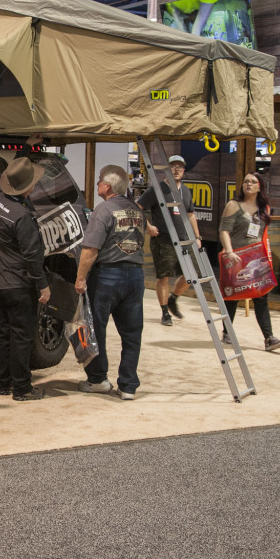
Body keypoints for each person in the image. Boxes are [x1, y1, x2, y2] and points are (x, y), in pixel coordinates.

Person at [75, 165, 146, 401]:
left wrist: (81, 278)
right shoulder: (136, 210)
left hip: (107, 276)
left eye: (98, 182)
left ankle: (97, 380)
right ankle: (128, 386)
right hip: (135, 275)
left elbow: (90, 249)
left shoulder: (103, 210)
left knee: (96, 329)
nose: (97, 186)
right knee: (132, 333)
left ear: (106, 186)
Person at [0, 157, 51, 402]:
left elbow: (14, 176)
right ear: (28, 188)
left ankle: (2, 383)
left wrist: (24, 149)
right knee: (22, 338)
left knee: (4, 334)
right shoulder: (22, 216)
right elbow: (33, 256)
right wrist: (43, 285)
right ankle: (22, 389)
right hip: (19, 285)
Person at [218, 172, 280, 351]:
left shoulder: (264, 208)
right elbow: (224, 230)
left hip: (256, 257)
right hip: (236, 256)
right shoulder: (233, 205)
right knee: (233, 296)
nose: (248, 184)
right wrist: (229, 251)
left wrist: (266, 256)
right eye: (246, 181)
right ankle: (227, 332)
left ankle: (269, 338)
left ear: (259, 187)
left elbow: (263, 234)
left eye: (253, 182)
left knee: (261, 296)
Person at [136, 155, 201, 326]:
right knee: (163, 278)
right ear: (167, 169)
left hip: (185, 240)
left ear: (184, 170)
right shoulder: (156, 190)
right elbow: (137, 208)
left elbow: (191, 214)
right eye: (173, 166)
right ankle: (165, 312)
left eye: (180, 167)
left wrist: (197, 236)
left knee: (191, 275)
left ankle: (173, 299)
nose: (177, 169)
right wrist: (148, 226)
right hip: (164, 240)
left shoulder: (185, 190)